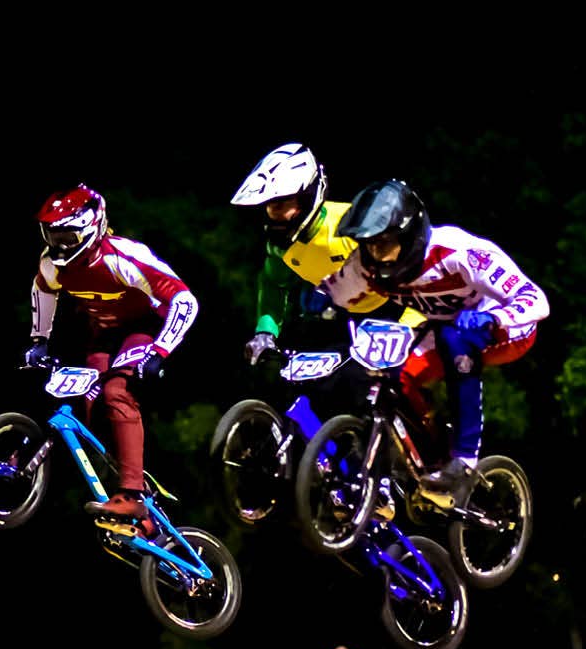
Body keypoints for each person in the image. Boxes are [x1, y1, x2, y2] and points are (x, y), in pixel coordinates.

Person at [312, 178, 550, 505]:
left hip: (507, 328)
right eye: (367, 245)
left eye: (383, 244)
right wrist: (317, 300)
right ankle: (430, 459)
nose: (375, 255)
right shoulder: (366, 263)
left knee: (456, 339)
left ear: (409, 235)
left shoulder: (460, 254)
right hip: (443, 325)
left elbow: (536, 300)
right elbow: (336, 291)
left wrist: (493, 318)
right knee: (393, 373)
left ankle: (464, 461)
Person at [27, 183, 199, 521]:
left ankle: (132, 492)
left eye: (67, 237)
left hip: (146, 330)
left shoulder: (124, 258)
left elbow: (185, 300)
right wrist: (38, 340)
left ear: (91, 230)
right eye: (51, 235)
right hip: (104, 337)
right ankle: (141, 502)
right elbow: (43, 291)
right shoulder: (51, 264)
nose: (57, 246)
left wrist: (161, 351)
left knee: (115, 392)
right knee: (84, 405)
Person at [231, 142, 422, 409]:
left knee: (388, 391)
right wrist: (265, 332)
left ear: (308, 196)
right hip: (340, 318)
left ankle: (430, 441)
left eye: (281, 204)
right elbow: (274, 285)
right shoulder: (280, 248)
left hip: (395, 310)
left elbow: (414, 268)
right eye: (270, 207)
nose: (275, 215)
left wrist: (409, 325)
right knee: (309, 394)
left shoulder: (350, 224)